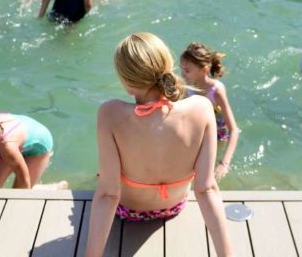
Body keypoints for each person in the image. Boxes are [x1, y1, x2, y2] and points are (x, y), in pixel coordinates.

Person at [86, 33, 231, 255]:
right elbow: (206, 188)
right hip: (172, 207)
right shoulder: (201, 108)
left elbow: (109, 195)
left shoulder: (110, 113)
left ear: (126, 82)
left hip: (129, 211)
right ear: (168, 66)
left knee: (101, 177)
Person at [180, 42, 241, 181]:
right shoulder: (187, 88)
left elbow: (234, 130)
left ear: (204, 69)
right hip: (197, 131)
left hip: (216, 135)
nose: (183, 74)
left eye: (187, 70)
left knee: (207, 170)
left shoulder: (216, 91)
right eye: (182, 69)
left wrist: (224, 164)